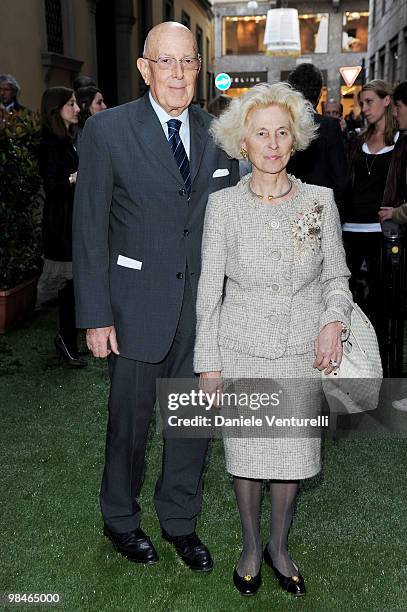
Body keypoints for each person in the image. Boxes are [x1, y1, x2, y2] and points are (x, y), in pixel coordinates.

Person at [73, 22, 239, 570]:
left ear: (199, 68)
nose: (176, 73)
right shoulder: (107, 131)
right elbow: (90, 231)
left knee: (192, 424)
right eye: (164, 62)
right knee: (131, 423)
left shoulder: (219, 134)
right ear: (144, 68)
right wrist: (96, 316)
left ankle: (179, 522)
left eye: (187, 62)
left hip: (201, 312)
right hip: (134, 306)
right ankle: (121, 519)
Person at [194, 82, 352, 596]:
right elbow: (208, 285)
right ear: (244, 142)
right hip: (241, 346)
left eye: (282, 132)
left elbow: (337, 279)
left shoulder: (320, 201)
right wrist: (208, 362)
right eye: (261, 133)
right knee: (247, 458)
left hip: (301, 349)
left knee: (291, 459)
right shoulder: (222, 207)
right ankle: (248, 545)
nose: (273, 143)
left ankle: (279, 547)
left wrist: (333, 320)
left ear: (295, 139)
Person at [343, 80, 398, 358]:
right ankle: (353, 356)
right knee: (348, 296)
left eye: (370, 102)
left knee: (381, 300)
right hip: (351, 228)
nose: (364, 108)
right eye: (361, 103)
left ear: (387, 101)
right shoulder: (358, 141)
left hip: (381, 231)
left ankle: (381, 359)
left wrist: (396, 210)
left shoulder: (400, 142)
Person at [38, 87, 85, 367]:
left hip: (69, 219)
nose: (77, 109)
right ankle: (66, 342)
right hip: (60, 222)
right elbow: (52, 185)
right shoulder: (49, 143)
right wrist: (75, 177)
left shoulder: (65, 140)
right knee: (68, 286)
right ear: (57, 109)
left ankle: (68, 341)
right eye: (71, 104)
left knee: (72, 287)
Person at [287, 64, 349, 218]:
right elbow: (341, 179)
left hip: (288, 211)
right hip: (322, 213)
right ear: (320, 94)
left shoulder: (283, 124)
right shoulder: (329, 126)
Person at [75, 86, 107, 151]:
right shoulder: (77, 135)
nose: (104, 106)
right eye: (99, 102)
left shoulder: (99, 130)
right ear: (84, 106)